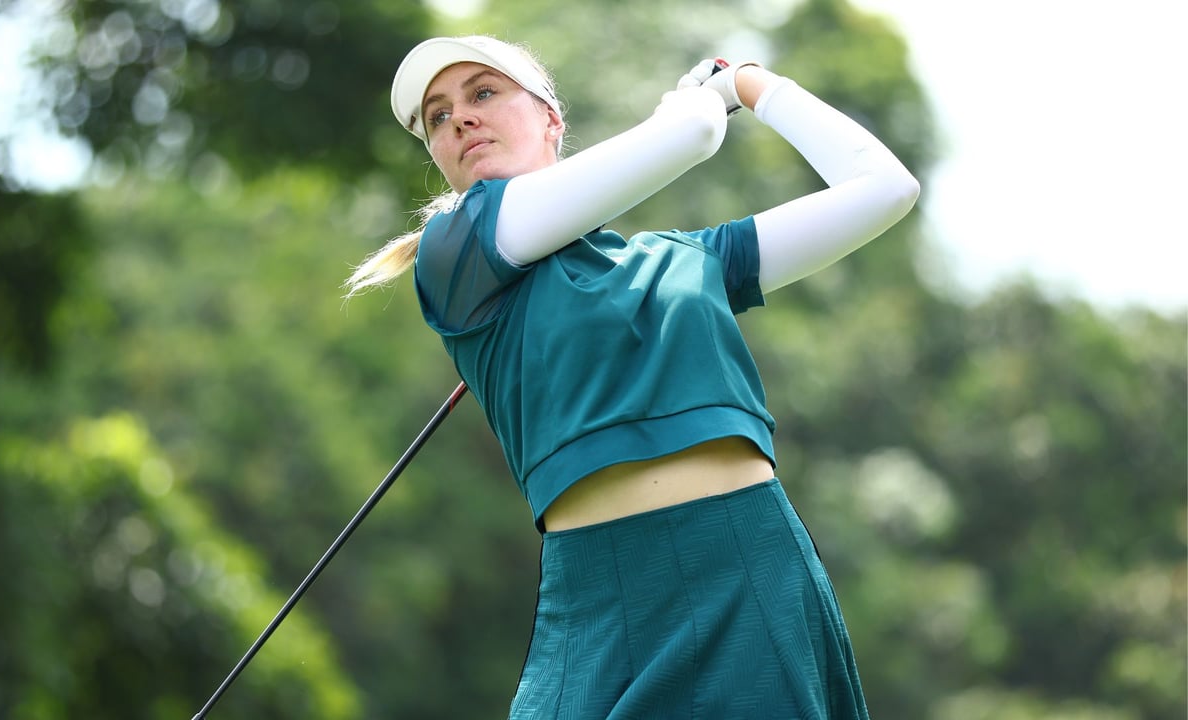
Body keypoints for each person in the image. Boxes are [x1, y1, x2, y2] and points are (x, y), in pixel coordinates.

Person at [346, 34, 918, 719]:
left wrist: (753, 82)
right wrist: (703, 95)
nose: (460, 118)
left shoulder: (691, 260)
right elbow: (692, 134)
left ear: (551, 119)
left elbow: (886, 189)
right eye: (438, 116)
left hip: (749, 568)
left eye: (484, 92)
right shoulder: (454, 252)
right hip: (599, 597)